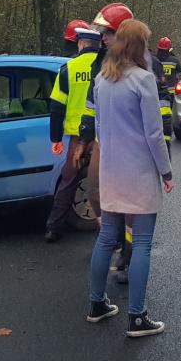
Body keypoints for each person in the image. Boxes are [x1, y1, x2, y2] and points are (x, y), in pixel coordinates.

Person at [86, 19, 173, 338]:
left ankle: (97, 304)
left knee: (107, 237)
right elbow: (154, 134)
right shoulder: (143, 80)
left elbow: (98, 130)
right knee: (143, 243)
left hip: (111, 170)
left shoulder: (102, 80)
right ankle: (137, 317)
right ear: (140, 46)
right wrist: (166, 170)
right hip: (138, 172)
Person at [45, 22, 104, 242]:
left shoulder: (69, 69)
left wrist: (56, 138)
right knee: (102, 182)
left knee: (68, 181)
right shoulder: (106, 66)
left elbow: (56, 107)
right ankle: (106, 231)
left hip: (76, 137)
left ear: (81, 44)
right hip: (102, 136)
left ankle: (53, 228)